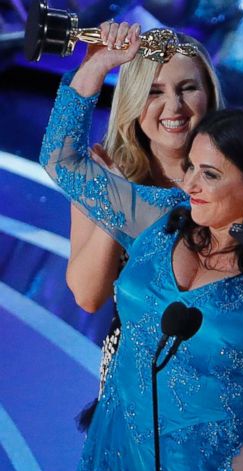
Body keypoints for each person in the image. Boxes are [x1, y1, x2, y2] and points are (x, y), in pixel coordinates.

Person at [41, 23, 243, 471]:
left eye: (208, 174)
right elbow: (62, 160)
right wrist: (100, 63)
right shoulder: (161, 215)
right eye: (190, 169)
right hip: (121, 464)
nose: (189, 183)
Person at [65, 20, 222, 425]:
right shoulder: (102, 175)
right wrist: (118, 201)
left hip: (221, 386)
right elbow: (87, 295)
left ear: (209, 95)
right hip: (132, 390)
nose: (174, 107)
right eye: (154, 92)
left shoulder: (241, 174)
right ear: (133, 100)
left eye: (188, 88)